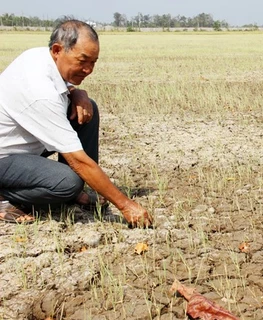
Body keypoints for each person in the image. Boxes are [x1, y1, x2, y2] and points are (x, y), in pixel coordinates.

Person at [0, 19, 152, 227]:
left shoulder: (38, 56)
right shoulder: (40, 93)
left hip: (24, 146)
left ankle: (72, 193)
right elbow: (78, 161)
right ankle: (5, 197)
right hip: (5, 157)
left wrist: (75, 92)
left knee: (87, 108)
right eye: (83, 61)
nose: (89, 70)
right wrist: (125, 205)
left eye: (94, 62)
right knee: (67, 183)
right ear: (57, 50)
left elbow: (60, 85)